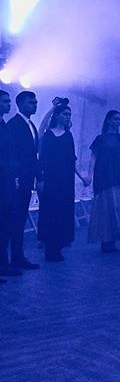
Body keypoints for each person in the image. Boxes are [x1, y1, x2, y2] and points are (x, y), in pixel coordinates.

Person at [37, 102, 89, 261]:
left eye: (69, 115)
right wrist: (41, 178)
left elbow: (71, 160)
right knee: (50, 211)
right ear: (57, 116)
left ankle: (58, 245)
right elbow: (42, 157)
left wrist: (81, 177)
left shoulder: (68, 136)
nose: (68, 117)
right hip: (51, 178)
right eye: (65, 114)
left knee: (63, 211)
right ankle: (50, 246)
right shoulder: (48, 135)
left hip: (65, 180)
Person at [86, 110, 120, 253]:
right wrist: (89, 175)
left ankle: (113, 239)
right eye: (115, 119)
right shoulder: (100, 139)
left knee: (117, 208)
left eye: (119, 119)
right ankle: (105, 240)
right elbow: (93, 157)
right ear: (108, 120)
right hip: (103, 178)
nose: (118, 121)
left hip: (118, 178)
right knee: (105, 210)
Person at [5, 90, 41, 269]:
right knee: (13, 219)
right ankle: (11, 259)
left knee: (20, 219)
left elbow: (33, 155)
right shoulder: (13, 125)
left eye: (35, 102)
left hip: (27, 179)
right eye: (30, 102)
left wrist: (37, 177)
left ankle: (18, 257)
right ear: (20, 104)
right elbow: (12, 154)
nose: (34, 105)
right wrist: (17, 177)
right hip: (17, 181)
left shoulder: (30, 125)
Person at [0, 89, 21, 280]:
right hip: (3, 178)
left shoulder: (4, 125)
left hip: (6, 180)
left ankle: (3, 264)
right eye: (5, 101)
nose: (9, 104)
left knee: (5, 222)